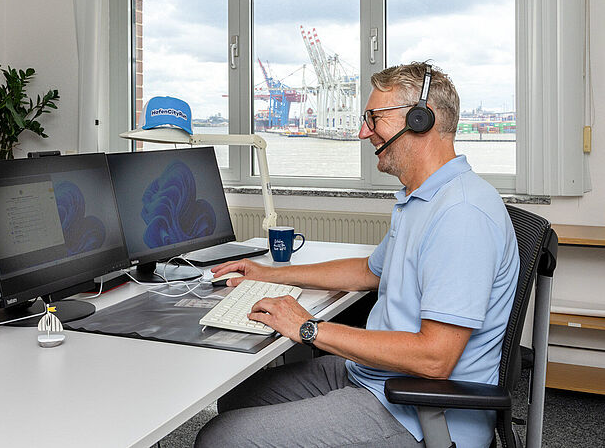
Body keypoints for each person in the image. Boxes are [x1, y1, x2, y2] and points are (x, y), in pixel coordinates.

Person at [195, 62, 519, 448]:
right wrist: (267, 274)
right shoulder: (422, 198)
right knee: (236, 398)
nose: (364, 132)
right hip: (375, 374)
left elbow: (435, 359)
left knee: (220, 438)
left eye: (373, 119)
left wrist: (309, 327)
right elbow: (368, 271)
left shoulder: (461, 214)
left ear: (420, 119)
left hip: (419, 411)